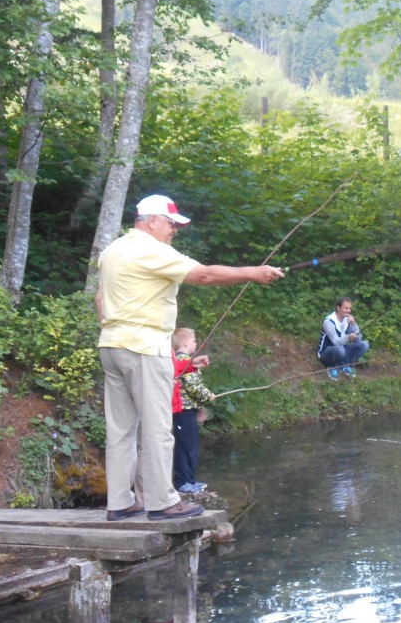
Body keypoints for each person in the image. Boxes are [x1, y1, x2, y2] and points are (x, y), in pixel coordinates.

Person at [96, 194, 284, 522]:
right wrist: (253, 272)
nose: (174, 231)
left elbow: (100, 298)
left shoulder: (113, 251)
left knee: (121, 430)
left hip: (111, 347)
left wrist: (116, 328)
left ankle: (121, 502)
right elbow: (205, 276)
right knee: (157, 428)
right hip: (144, 349)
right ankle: (161, 502)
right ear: (152, 221)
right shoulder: (152, 250)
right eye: (171, 223)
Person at [172, 328, 214, 494]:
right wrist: (207, 396)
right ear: (185, 343)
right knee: (186, 446)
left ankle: (189, 480)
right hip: (183, 412)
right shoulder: (184, 360)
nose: (196, 343)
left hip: (188, 410)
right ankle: (183, 482)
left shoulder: (183, 360)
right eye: (194, 340)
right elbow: (193, 387)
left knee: (191, 446)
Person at [318, 296, 370, 380]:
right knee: (340, 350)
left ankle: (345, 365)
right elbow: (335, 342)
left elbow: (358, 338)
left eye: (350, 308)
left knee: (364, 344)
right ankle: (332, 367)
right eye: (346, 308)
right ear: (338, 308)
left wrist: (353, 323)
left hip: (342, 350)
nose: (349, 311)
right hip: (326, 352)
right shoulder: (329, 322)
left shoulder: (347, 320)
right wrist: (348, 337)